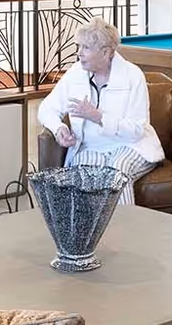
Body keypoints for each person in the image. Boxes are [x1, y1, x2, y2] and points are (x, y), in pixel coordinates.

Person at [36, 18, 164, 203]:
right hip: (90, 147)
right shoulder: (75, 74)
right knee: (83, 175)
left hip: (130, 145)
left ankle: (125, 223)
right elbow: (46, 109)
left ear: (106, 52)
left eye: (86, 48)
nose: (79, 53)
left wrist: (98, 117)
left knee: (117, 173)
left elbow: (136, 130)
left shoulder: (133, 75)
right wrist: (59, 129)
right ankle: (88, 224)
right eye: (79, 46)